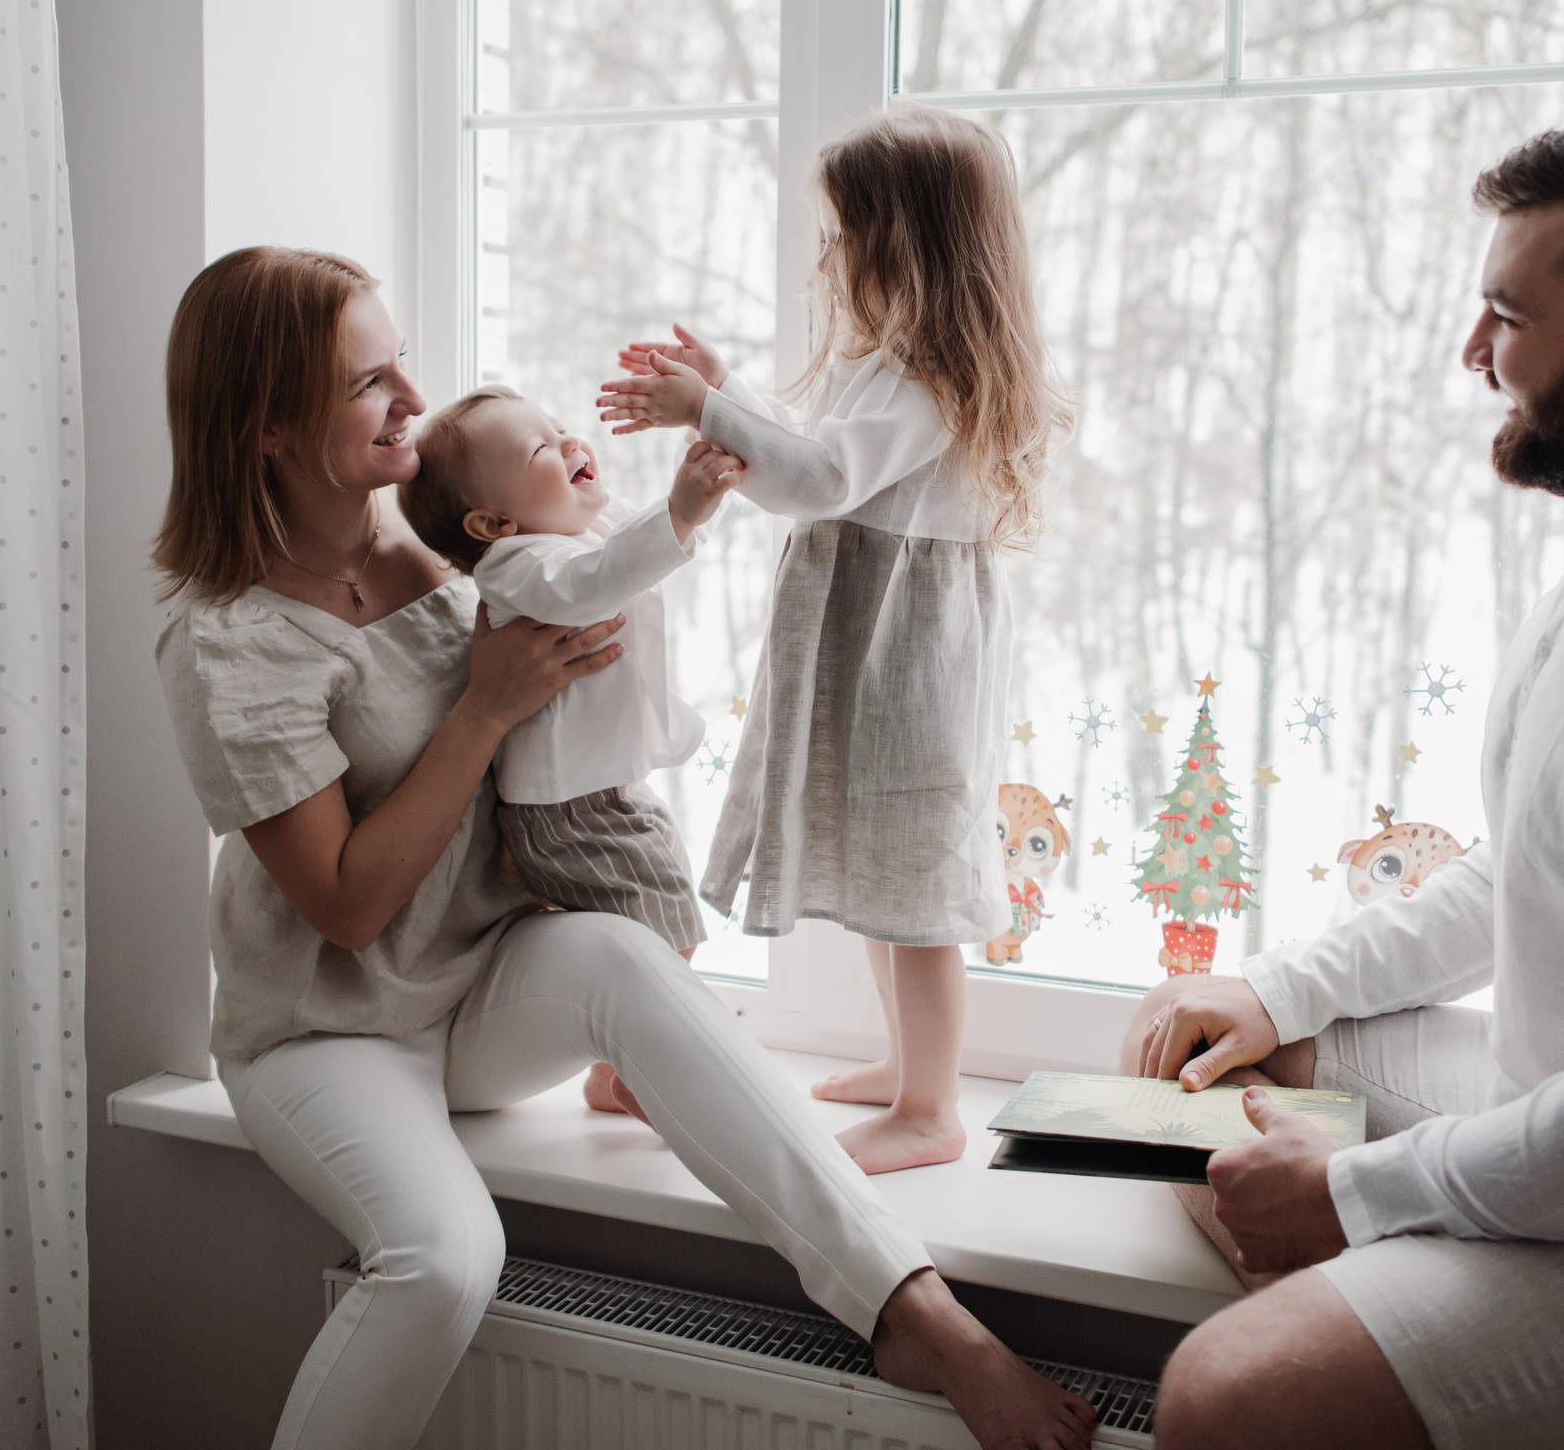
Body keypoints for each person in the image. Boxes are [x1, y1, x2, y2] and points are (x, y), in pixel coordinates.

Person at [152, 245, 1098, 1450]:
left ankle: (919, 1316)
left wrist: (719, 425)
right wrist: (486, 705)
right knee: (443, 1262)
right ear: (265, 426)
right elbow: (343, 907)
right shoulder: (226, 641)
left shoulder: (457, 553)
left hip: (475, 990)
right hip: (327, 1032)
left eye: (399, 365)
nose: (405, 397)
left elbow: (615, 564)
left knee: (623, 957)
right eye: (362, 383)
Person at [1124, 103, 1564, 1450]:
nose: (1474, 353)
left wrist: (1362, 1193)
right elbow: (1543, 860)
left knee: (1225, 1396)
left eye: (1509, 316)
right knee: (1224, 1076)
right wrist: (1279, 986)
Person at [598, 105, 1073, 1174]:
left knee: (914, 890)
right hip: (873, 648)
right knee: (880, 873)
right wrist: (731, 394)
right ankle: (908, 1074)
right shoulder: (893, 364)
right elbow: (815, 455)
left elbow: (819, 478)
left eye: (842, 235)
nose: (825, 256)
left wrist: (710, 407)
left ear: (906, 247)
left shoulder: (929, 379)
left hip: (907, 657)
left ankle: (931, 1109)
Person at [397, 384, 742, 1113]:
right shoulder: (518, 567)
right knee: (660, 924)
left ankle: (614, 1073)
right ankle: (633, 1070)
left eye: (559, 428)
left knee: (663, 916)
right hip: (568, 804)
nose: (571, 443)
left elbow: (636, 547)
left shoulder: (573, 536)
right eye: (541, 449)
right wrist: (678, 514)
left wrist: (693, 495)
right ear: (494, 520)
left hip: (600, 786)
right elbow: (596, 582)